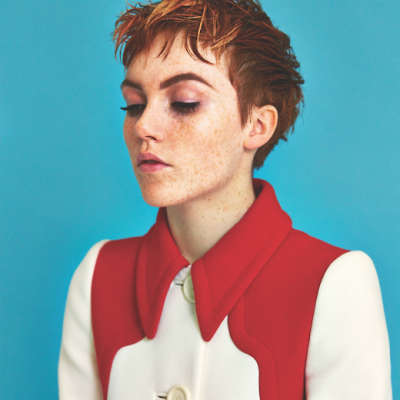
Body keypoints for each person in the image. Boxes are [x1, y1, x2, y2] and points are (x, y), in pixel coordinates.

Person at [58, 0, 392, 399]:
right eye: (134, 105)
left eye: (184, 102)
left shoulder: (334, 283)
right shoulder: (98, 276)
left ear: (257, 125)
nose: (143, 125)